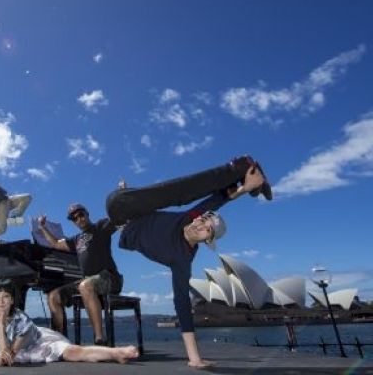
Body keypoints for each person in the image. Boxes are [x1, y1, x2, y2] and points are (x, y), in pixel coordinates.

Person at [107, 155, 271, 368]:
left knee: (143, 198)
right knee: (179, 194)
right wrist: (245, 187)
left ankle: (248, 178)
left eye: (206, 229)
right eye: (202, 220)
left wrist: (194, 358)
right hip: (131, 204)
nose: (199, 224)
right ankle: (244, 173)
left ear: (207, 239)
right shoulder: (189, 218)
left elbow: (182, 304)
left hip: (122, 217)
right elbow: (217, 200)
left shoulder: (181, 260)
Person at [0, 279, 138, 366]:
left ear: (12, 301)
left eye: (6, 298)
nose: (0, 302)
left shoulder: (21, 319)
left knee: (74, 352)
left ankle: (115, 352)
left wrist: (0, 327)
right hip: (7, 344)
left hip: (37, 342)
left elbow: (8, 355)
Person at [37, 206, 122, 345]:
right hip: (87, 281)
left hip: (109, 278)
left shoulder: (100, 227)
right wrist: (42, 227)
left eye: (80, 215)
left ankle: (100, 339)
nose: (78, 219)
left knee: (85, 286)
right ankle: (60, 341)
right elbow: (56, 244)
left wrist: (121, 197)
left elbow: (119, 218)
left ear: (87, 214)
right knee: (53, 296)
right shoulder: (76, 239)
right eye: (74, 218)